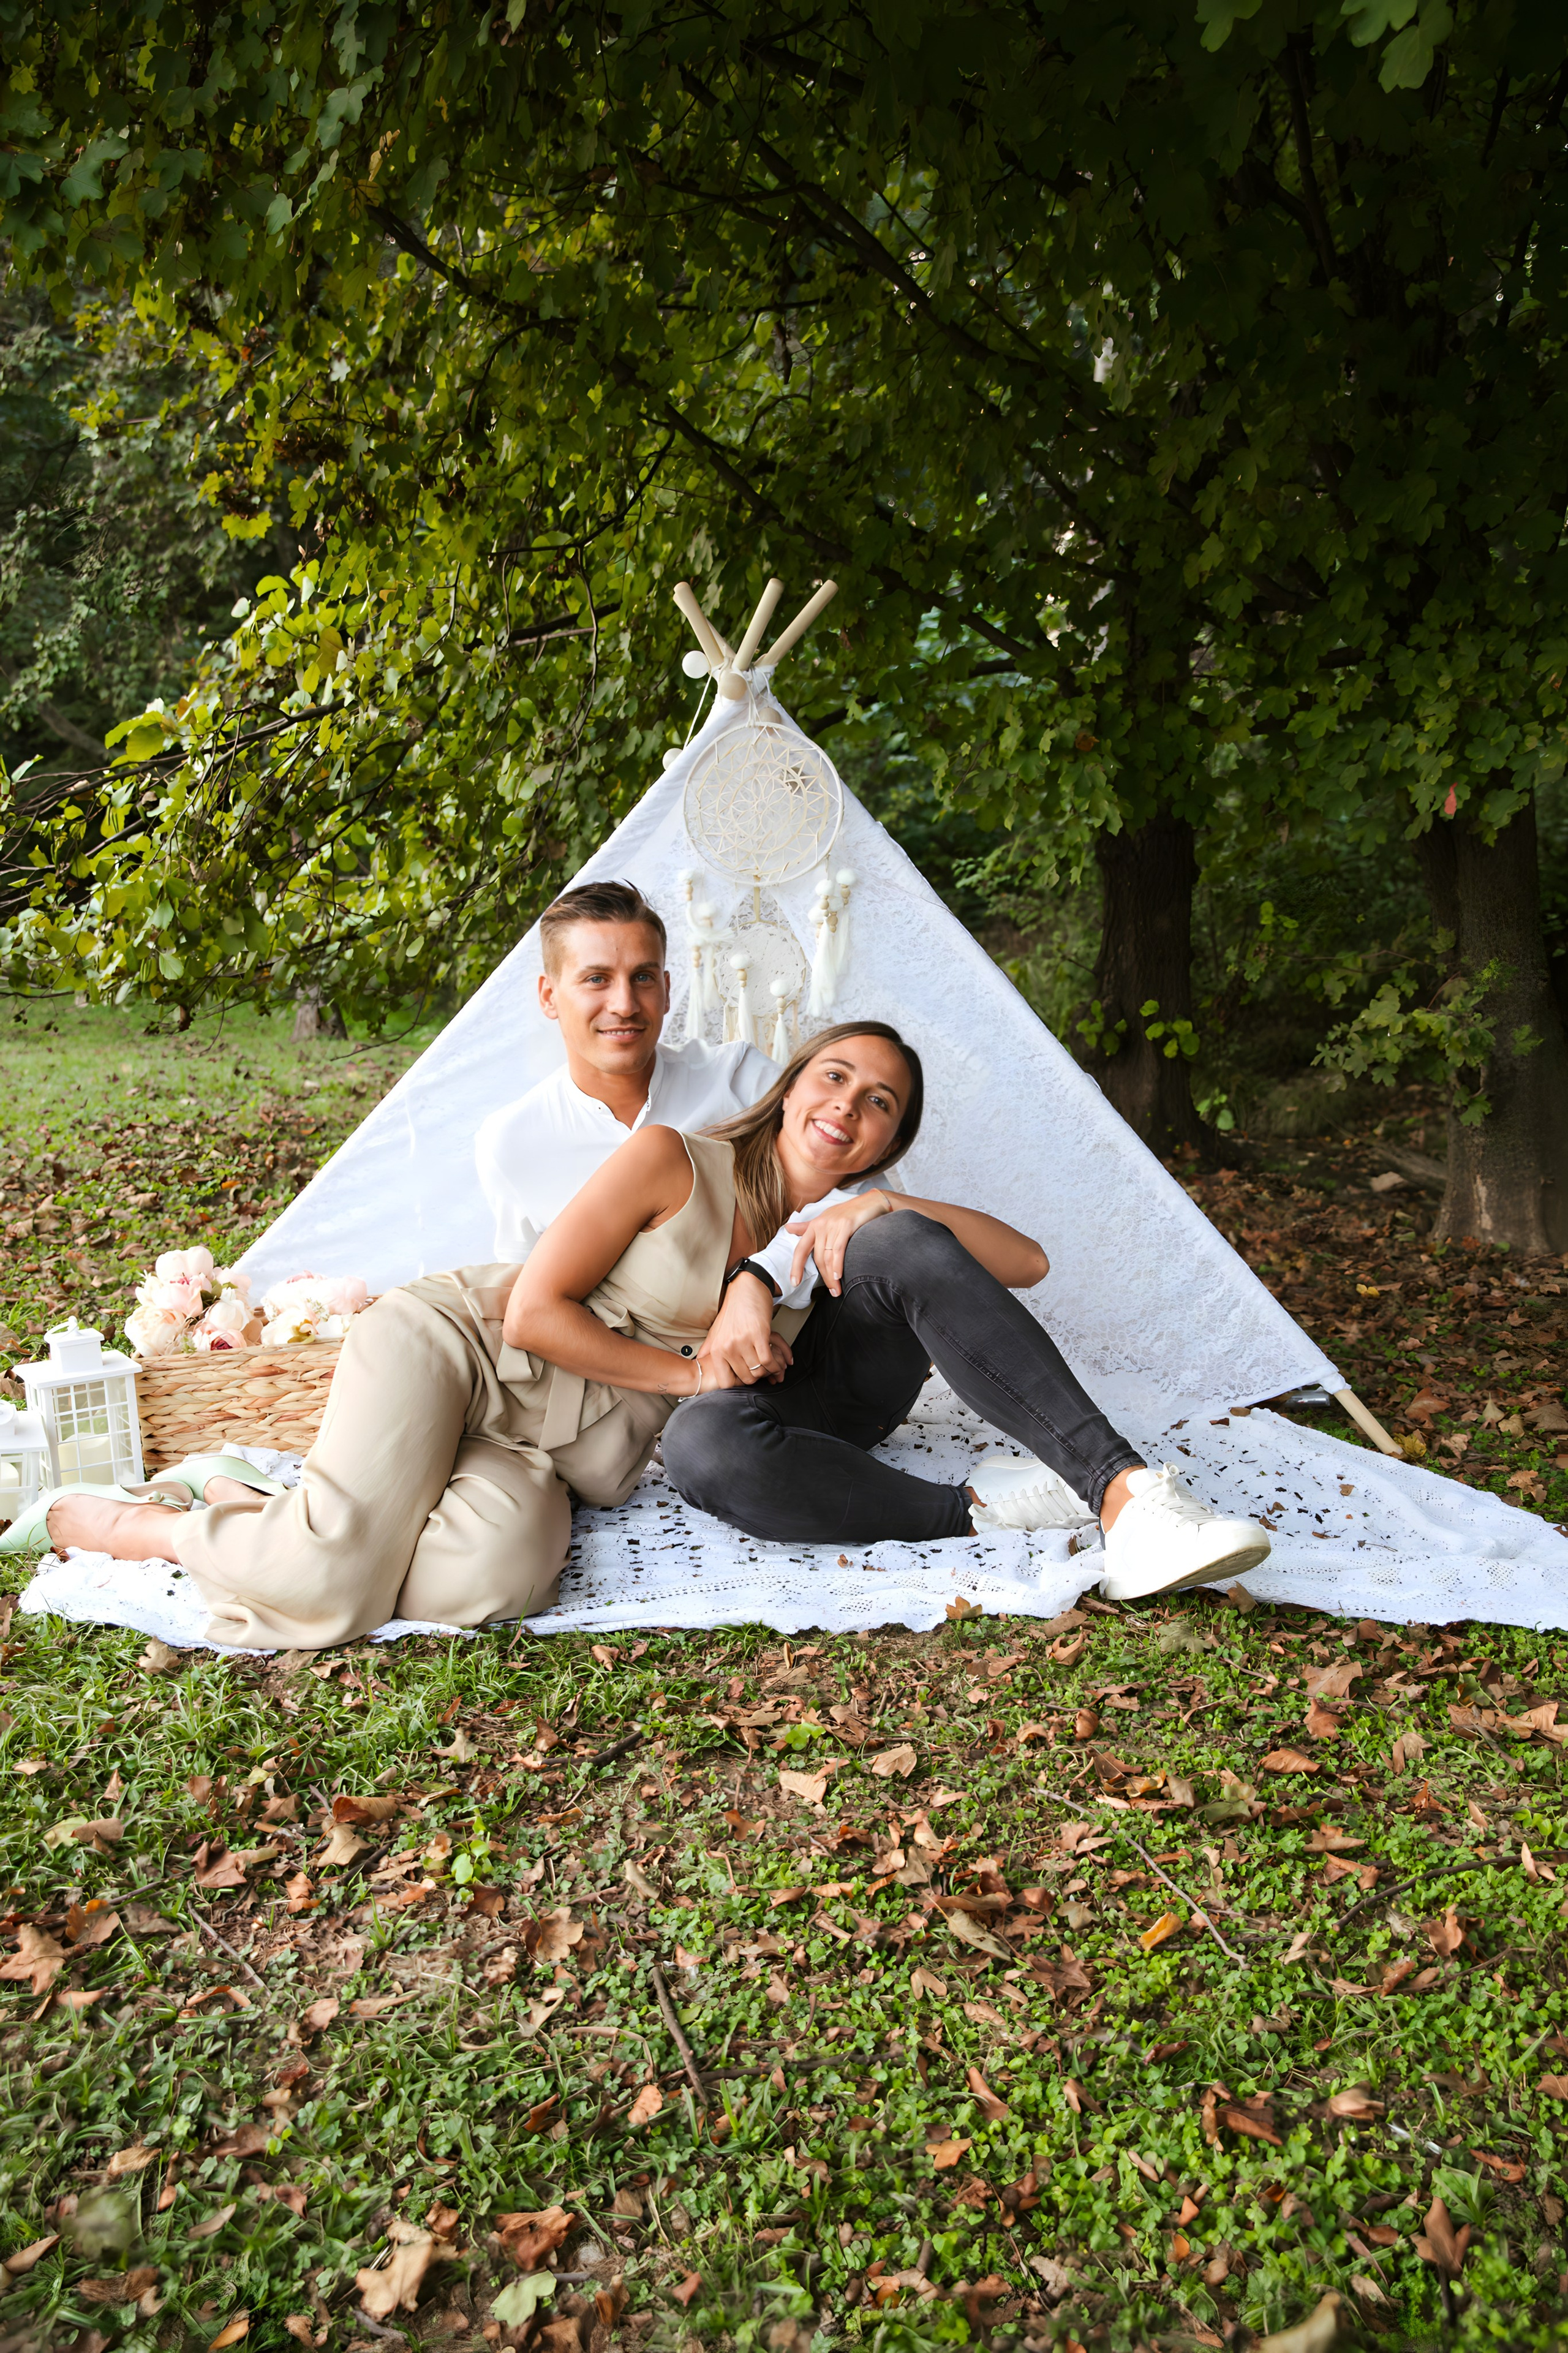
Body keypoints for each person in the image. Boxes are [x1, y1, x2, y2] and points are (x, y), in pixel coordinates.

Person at [26, 1024, 1268, 1638]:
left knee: (498, 1581)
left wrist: (877, 1206)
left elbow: (1024, 1260)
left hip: (547, 1455)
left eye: (880, 1103)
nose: (849, 1106)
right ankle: (157, 1521)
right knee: (327, 1586)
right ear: (791, 1085)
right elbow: (530, 1308)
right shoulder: (672, 1156)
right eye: (834, 1076)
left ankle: (1120, 1496)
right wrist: (694, 1354)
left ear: (891, 1136)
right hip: (465, 1349)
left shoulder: (840, 1227)